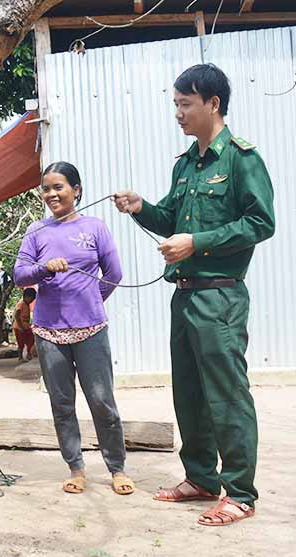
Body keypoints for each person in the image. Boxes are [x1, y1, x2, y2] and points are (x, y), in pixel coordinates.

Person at [114, 63, 275, 525]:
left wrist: (196, 243)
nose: (179, 113)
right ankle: (202, 477)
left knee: (226, 395)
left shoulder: (241, 160)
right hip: (184, 295)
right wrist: (141, 208)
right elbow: (171, 221)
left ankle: (241, 492)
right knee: (189, 394)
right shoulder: (185, 165)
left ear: (213, 104)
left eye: (186, 104)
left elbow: (261, 223)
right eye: (176, 105)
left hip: (220, 297)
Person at [14, 161, 133, 496]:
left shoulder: (95, 227)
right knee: (62, 403)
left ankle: (117, 468)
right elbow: (20, 274)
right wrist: (43, 269)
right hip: (49, 331)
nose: (51, 194)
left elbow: (114, 274)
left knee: (101, 400)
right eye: (46, 188)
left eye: (59, 187)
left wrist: (91, 300)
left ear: (76, 190)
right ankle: (76, 468)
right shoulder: (36, 231)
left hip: (91, 329)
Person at [12, 287, 37, 361]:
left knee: (31, 340)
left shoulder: (27, 304)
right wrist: (20, 326)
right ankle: (20, 357)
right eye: (31, 298)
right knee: (21, 343)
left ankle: (29, 354)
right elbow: (17, 315)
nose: (32, 301)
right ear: (26, 297)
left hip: (26, 326)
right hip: (19, 327)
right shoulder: (21, 304)